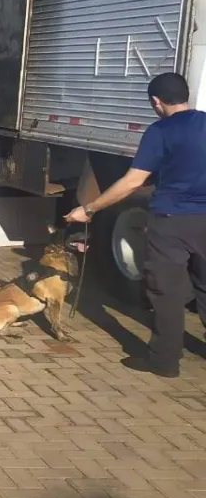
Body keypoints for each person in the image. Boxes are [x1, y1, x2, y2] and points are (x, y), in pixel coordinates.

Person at [66, 72, 206, 378]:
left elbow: (133, 181)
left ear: (156, 102)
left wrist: (89, 209)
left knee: (167, 294)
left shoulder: (160, 131)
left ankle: (164, 361)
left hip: (171, 222)